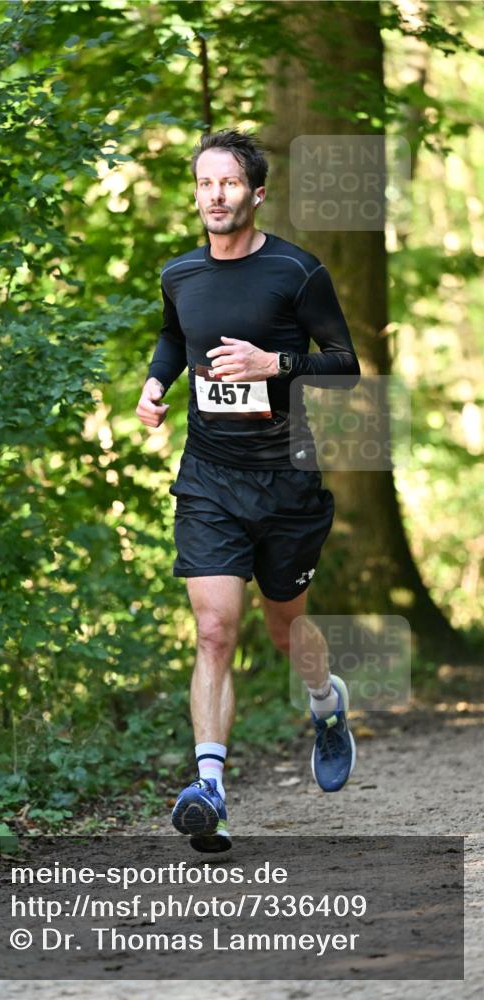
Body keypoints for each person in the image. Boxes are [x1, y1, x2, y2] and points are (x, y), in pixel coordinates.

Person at [136, 129, 361, 853]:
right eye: (204, 183)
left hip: (286, 480)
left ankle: (325, 705)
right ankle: (209, 789)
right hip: (207, 477)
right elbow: (176, 338)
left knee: (284, 628)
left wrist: (275, 363)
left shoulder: (296, 272)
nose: (214, 196)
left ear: (255, 194)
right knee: (212, 630)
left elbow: (345, 364)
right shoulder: (180, 274)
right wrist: (152, 385)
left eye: (229, 184)